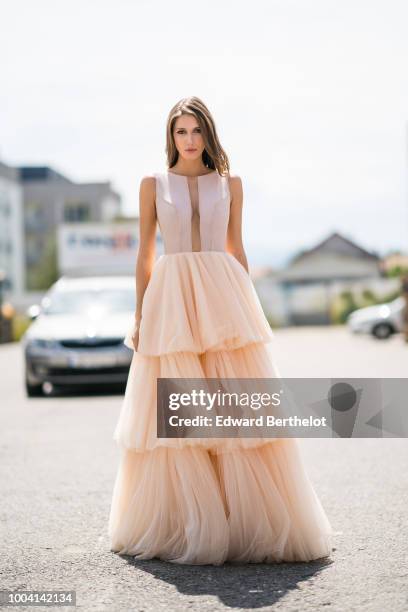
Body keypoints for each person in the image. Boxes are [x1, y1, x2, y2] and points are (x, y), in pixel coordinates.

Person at [108, 96, 334, 565]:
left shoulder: (231, 183)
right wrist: (139, 313)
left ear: (209, 134)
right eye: (180, 132)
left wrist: (247, 308)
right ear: (170, 137)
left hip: (222, 298)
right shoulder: (152, 183)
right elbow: (145, 254)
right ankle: (187, 524)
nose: (188, 141)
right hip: (171, 302)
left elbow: (237, 248)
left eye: (195, 131)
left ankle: (242, 524)